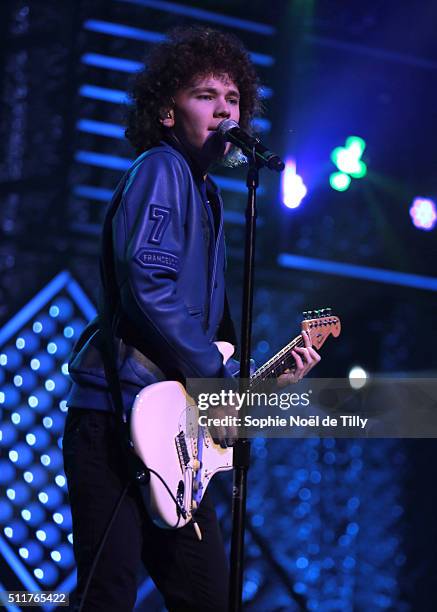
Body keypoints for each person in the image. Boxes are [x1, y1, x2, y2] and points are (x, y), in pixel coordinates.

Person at [62, 26, 321, 612]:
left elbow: (207, 339)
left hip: (171, 434)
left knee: (207, 598)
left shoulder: (207, 195)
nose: (225, 109)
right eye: (206, 95)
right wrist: (215, 375)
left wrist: (258, 383)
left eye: (233, 99)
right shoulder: (162, 170)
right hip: (116, 419)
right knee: (107, 596)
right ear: (167, 112)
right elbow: (148, 286)